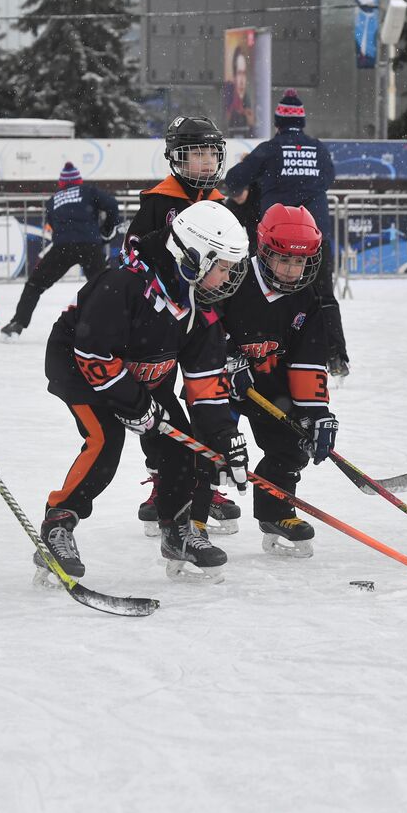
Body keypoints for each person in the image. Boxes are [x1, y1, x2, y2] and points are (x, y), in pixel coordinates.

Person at [36, 200, 250, 584]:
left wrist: (224, 437)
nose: (229, 278)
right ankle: (59, 523)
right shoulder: (124, 284)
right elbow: (93, 354)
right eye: (223, 267)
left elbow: (204, 382)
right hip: (81, 368)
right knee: (106, 439)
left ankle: (177, 530)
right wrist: (135, 406)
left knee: (182, 443)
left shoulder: (199, 302)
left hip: (144, 376)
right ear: (194, 257)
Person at [126, 115, 243, 532]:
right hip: (162, 323)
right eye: (195, 155)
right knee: (158, 406)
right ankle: (163, 479)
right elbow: (133, 254)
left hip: (206, 322)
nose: (205, 163)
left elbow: (232, 269)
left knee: (209, 402)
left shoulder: (221, 204)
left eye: (211, 154)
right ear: (176, 158)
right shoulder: (157, 202)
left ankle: (206, 482)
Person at [220, 204, 338, 558]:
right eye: (283, 260)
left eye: (300, 262)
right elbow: (203, 325)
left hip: (268, 384)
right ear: (263, 251)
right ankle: (192, 515)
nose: (292, 271)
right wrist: (224, 358)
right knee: (210, 444)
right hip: (220, 381)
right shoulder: (232, 278)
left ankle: (276, 513)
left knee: (291, 443)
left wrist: (317, 412)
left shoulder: (307, 297)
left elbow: (308, 358)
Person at [222, 90, 349, 376]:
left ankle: (265, 348)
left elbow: (233, 180)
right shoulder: (318, 149)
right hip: (314, 238)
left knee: (265, 295)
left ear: (277, 122)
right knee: (323, 296)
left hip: (276, 240)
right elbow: (328, 178)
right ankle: (336, 356)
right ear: (302, 123)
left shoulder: (269, 149)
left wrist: (259, 179)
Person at [1, 162, 121, 339]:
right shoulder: (88, 191)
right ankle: (116, 325)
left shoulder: (53, 200)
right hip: (89, 246)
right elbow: (112, 204)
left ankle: (17, 323)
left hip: (63, 247)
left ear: (61, 183)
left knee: (34, 285)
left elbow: (53, 224)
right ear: (78, 181)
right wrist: (106, 230)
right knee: (102, 288)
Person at [223, 46, 255, 137]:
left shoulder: (247, 99)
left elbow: (252, 129)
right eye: (239, 73)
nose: (242, 81)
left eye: (244, 74)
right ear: (234, 76)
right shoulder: (228, 97)